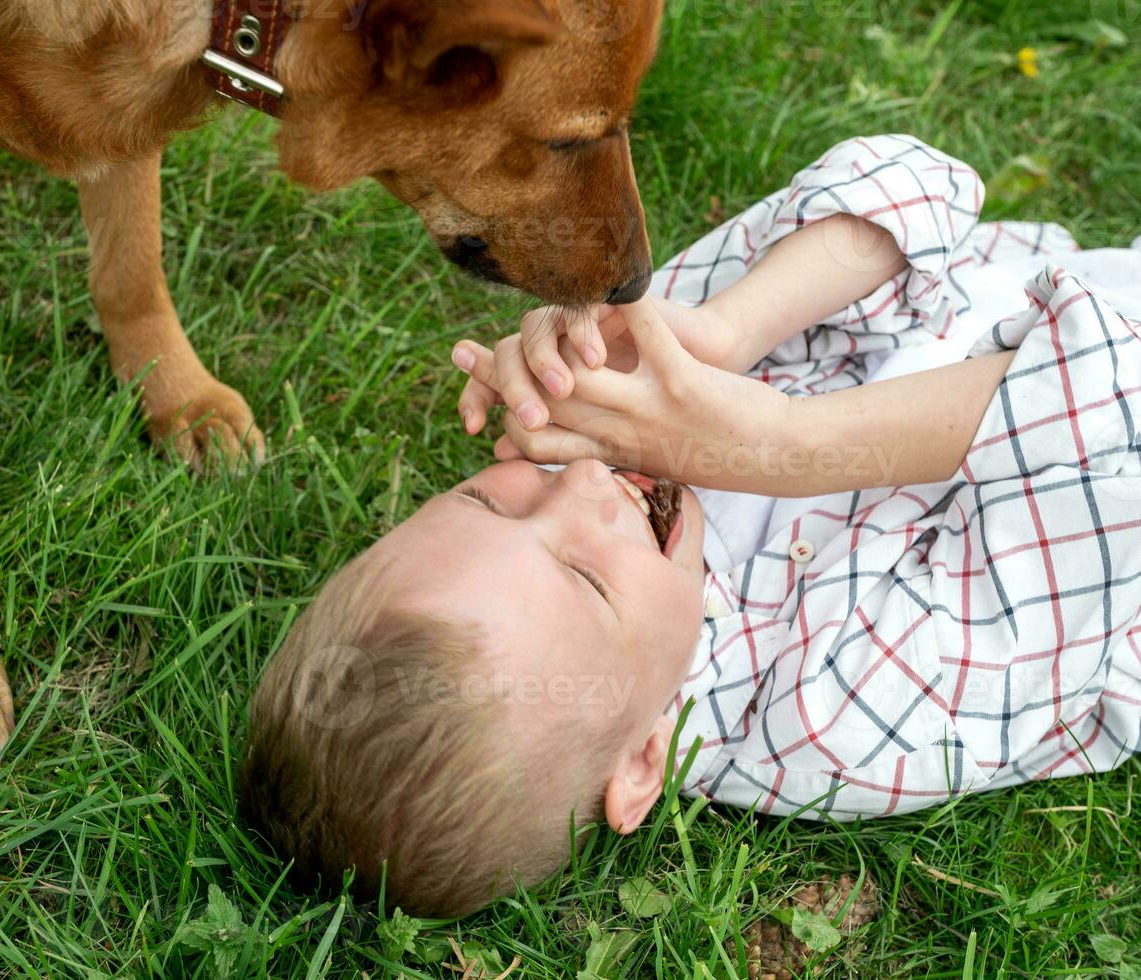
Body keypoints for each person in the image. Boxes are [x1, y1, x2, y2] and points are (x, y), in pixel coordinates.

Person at [240, 135, 1141, 918]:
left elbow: (914, 183)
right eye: (587, 578)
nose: (583, 483)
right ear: (641, 759)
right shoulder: (837, 718)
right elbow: (1116, 406)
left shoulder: (609, 448)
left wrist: (722, 329)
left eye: (488, 498)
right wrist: (782, 442)